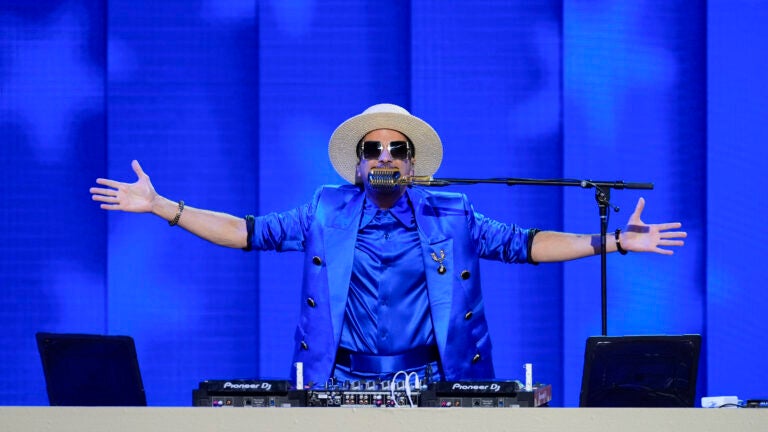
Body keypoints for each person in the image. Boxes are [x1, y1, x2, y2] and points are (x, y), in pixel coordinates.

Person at [90, 103, 686, 387]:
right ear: (357, 164)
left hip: (432, 384)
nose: (382, 157)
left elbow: (527, 245)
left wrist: (614, 242)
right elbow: (245, 232)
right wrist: (164, 207)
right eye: (371, 149)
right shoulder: (324, 210)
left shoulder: (451, 212)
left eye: (395, 149)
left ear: (411, 163)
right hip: (340, 384)